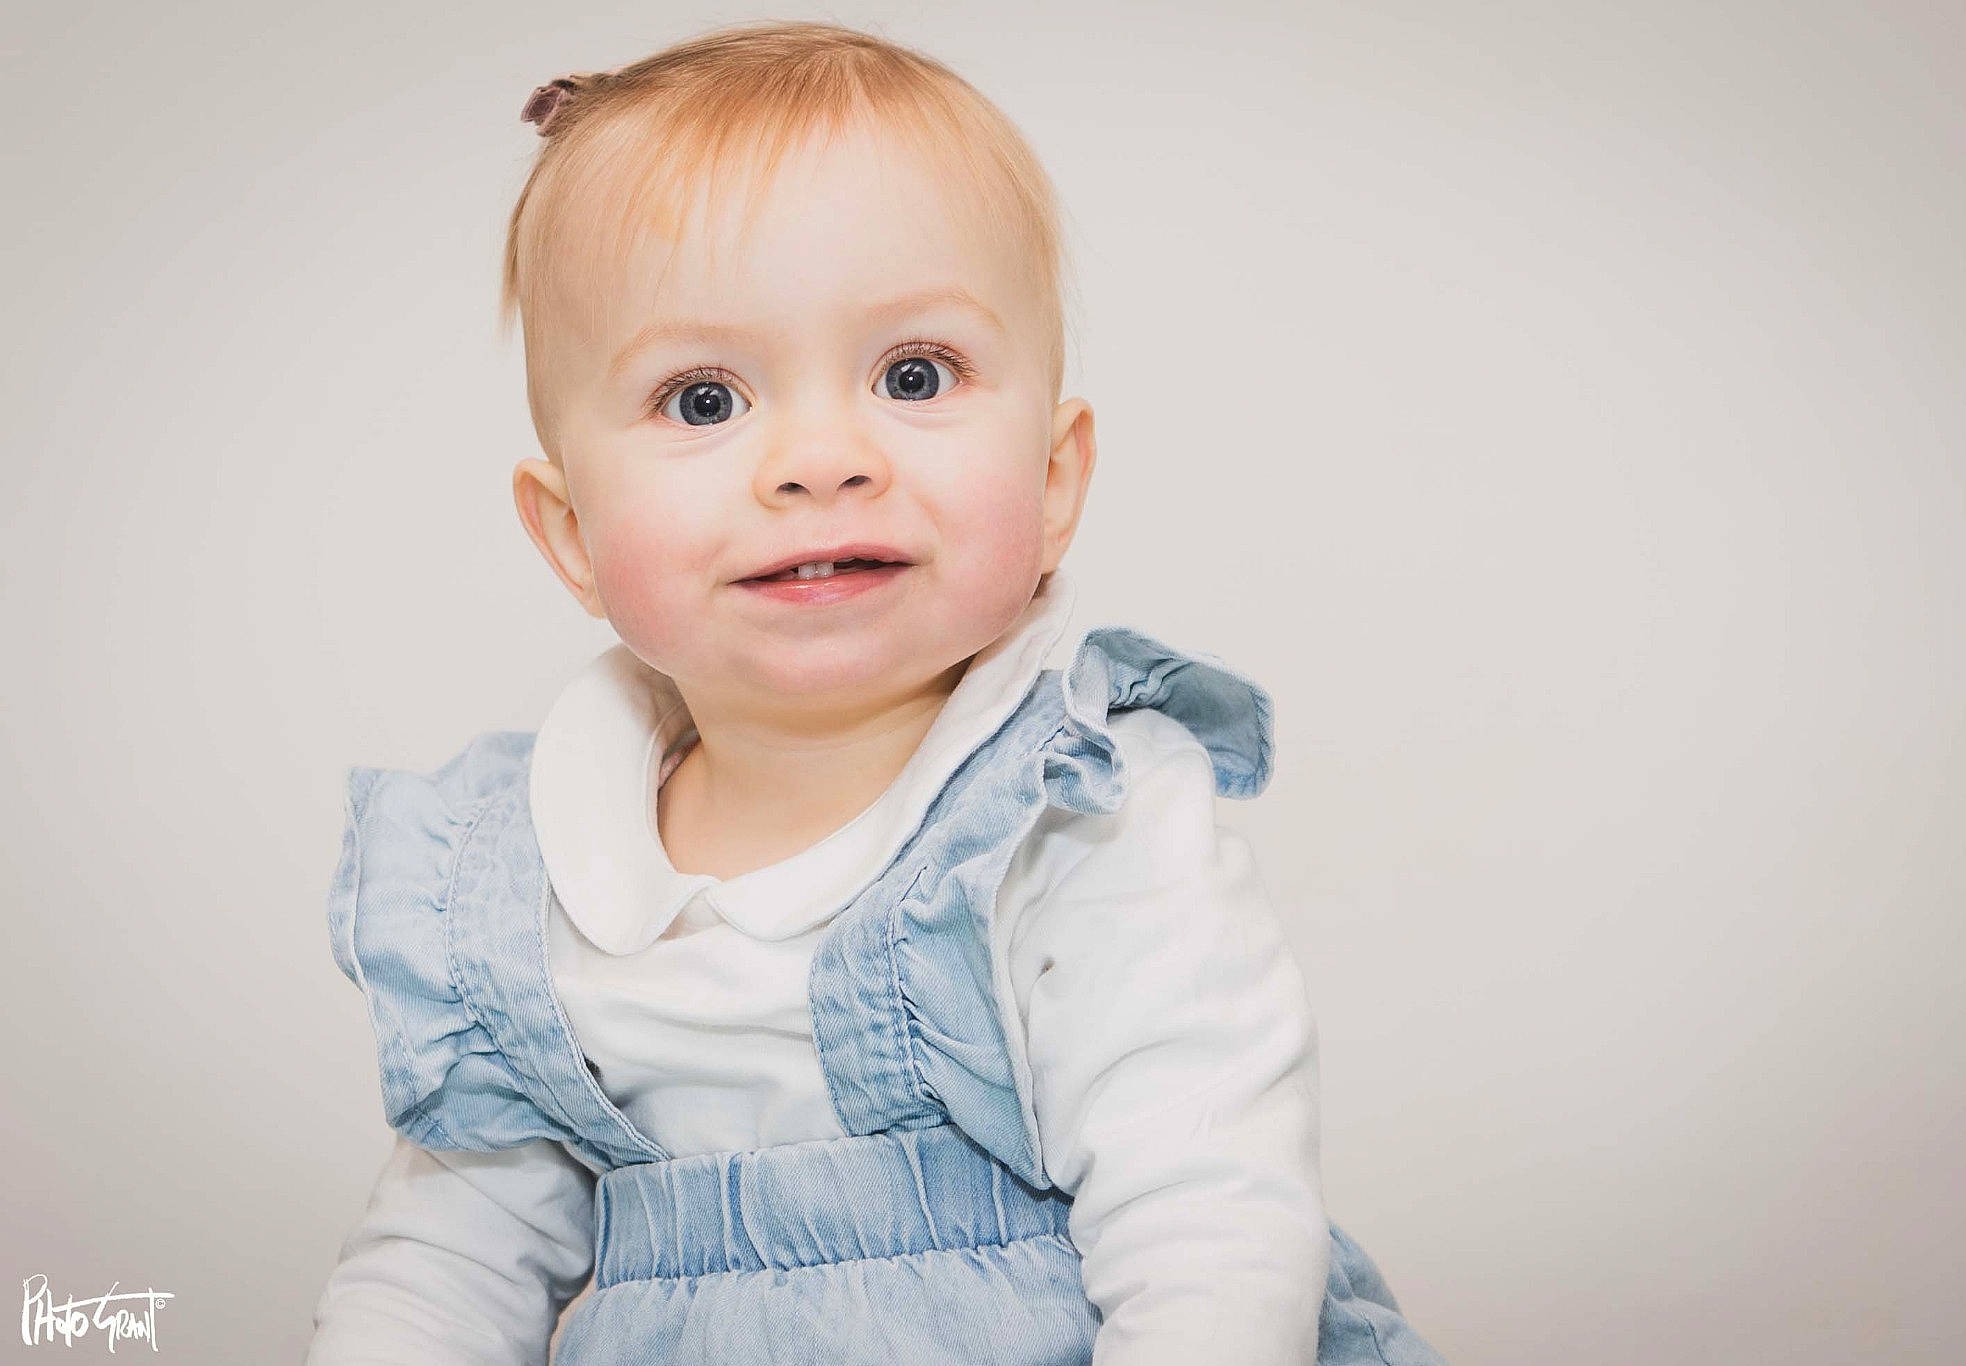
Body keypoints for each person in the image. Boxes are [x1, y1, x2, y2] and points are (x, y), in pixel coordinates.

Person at [306, 19, 1446, 1366]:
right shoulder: (526, 879)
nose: (819, 458)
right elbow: (440, 1266)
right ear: (570, 539)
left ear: (1054, 481)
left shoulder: (1077, 813)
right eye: (703, 398)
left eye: (914, 375)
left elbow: (1209, 1214)